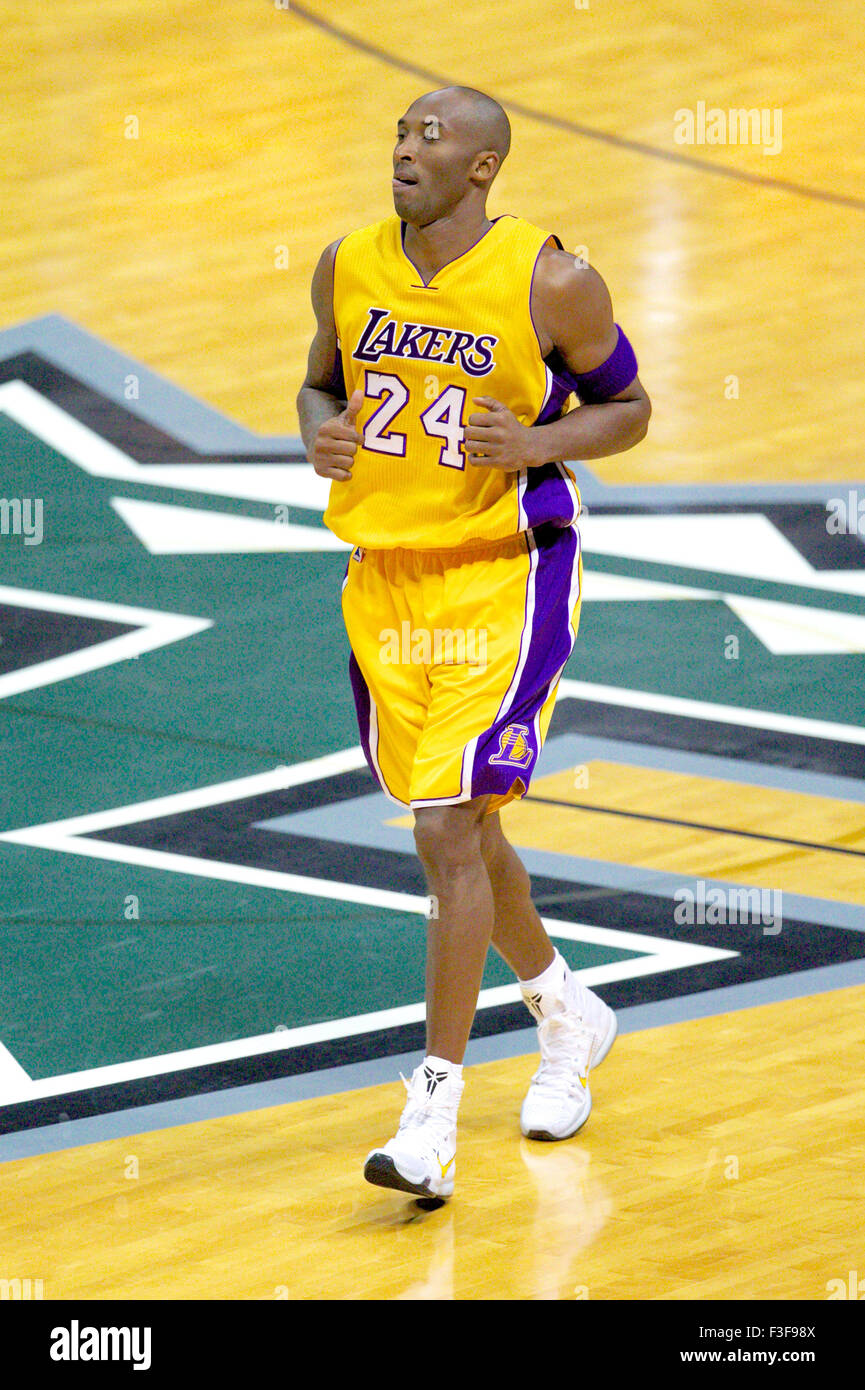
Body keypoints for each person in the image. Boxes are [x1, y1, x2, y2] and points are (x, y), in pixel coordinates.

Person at [296, 85, 650, 1201]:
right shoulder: (346, 263)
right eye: (398, 131)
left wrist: (538, 436)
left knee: (447, 827)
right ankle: (563, 1012)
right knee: (463, 828)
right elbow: (314, 386)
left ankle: (431, 1116)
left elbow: (630, 408)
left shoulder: (550, 277)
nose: (404, 149)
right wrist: (325, 436)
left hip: (508, 574)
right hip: (384, 581)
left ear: (484, 166)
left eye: (429, 137)